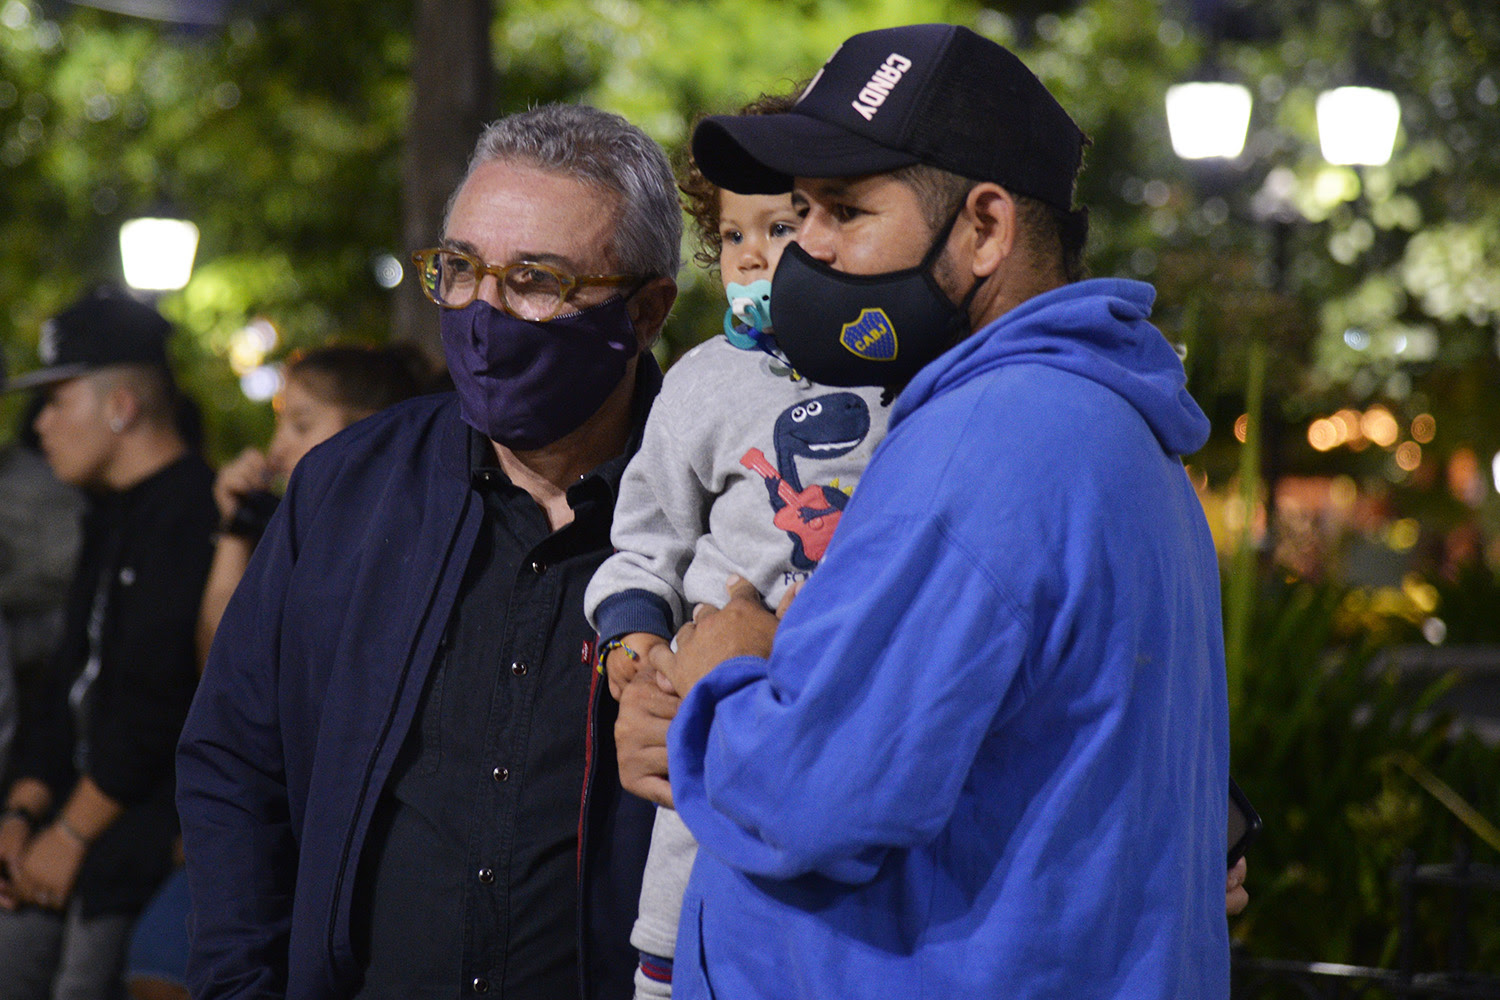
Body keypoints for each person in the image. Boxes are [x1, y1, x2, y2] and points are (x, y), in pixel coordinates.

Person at [627, 23, 1231, 998]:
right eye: (800, 212)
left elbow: (810, 798)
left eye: (846, 211)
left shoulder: (980, 446)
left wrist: (722, 680)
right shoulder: (1098, 418)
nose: (804, 250)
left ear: (986, 228)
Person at [176, 103, 679, 1000]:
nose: (483, 312)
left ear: (644, 312)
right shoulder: (345, 491)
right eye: (457, 269)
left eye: (535, 279)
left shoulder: (729, 515)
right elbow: (236, 761)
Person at [584, 92, 891, 999]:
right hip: (718, 707)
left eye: (785, 225)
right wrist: (636, 640)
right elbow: (643, 542)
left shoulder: (902, 367)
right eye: (734, 236)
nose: (756, 254)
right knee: (689, 874)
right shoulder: (702, 383)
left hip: (846, 706)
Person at [124, 343, 428, 1000]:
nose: (278, 447)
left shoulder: (401, 538)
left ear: (374, 425)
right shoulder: (298, 523)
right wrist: (236, 532)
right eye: (281, 423)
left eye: (302, 423)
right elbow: (226, 673)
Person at [0, 287, 217, 1000]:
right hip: (73, 825)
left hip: (142, 847)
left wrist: (67, 834)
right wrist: (23, 810)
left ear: (121, 406)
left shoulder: (194, 515)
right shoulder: (108, 511)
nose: (42, 426)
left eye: (59, 400)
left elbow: (158, 702)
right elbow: (68, 679)